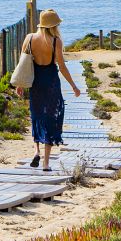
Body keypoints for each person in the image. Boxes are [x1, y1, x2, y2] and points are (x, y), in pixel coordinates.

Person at [16, 9, 81, 171]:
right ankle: (45, 163)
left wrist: (19, 84)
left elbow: (22, 64)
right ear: (54, 26)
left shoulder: (29, 38)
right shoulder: (55, 41)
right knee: (51, 117)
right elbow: (62, 66)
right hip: (51, 82)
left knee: (37, 115)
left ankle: (36, 151)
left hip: (35, 81)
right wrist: (73, 85)